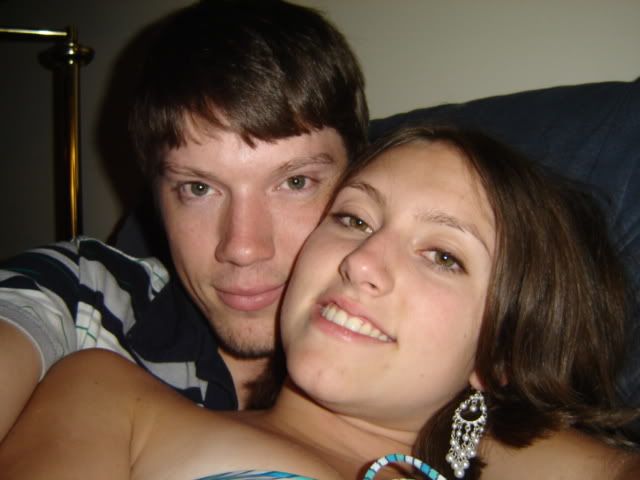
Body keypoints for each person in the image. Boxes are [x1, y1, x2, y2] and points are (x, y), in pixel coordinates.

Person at [1, 125, 638, 479]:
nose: (362, 261)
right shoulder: (111, 400)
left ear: (499, 355)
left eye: (443, 255)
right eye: (354, 219)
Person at [0, 0, 368, 441]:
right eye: (198, 188)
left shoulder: (412, 360)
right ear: (156, 198)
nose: (242, 247)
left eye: (295, 182)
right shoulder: (84, 301)